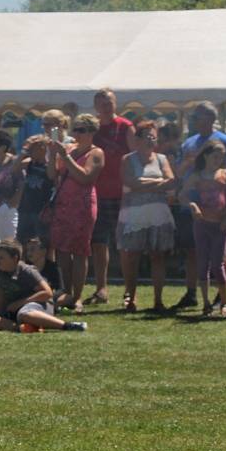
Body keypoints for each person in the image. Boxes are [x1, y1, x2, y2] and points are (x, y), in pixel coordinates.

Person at [174, 101, 226, 309]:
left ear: (210, 119)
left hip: (219, 207)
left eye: (196, 117)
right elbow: (180, 172)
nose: (193, 121)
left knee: (220, 252)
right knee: (193, 250)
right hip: (193, 204)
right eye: (192, 117)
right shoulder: (189, 142)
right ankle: (192, 293)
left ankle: (221, 297)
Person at [117, 121, 177, 312]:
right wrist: (156, 182)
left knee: (158, 256)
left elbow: (170, 182)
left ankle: (158, 300)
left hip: (158, 214)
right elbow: (129, 182)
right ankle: (131, 297)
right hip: (134, 214)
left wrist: (142, 183)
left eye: (154, 136)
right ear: (138, 138)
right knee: (132, 256)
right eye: (147, 136)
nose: (151, 140)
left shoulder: (162, 159)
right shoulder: (128, 159)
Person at [48, 114, 104, 313]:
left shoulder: (96, 153)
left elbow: (85, 178)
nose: (76, 133)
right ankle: (67, 292)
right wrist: (51, 154)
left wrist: (65, 156)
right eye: (75, 129)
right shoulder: (69, 149)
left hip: (82, 205)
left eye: (81, 130)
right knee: (62, 250)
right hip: (63, 204)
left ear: (91, 132)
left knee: (80, 251)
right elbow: (52, 175)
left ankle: (77, 297)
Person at [89, 88, 136, 305]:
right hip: (97, 192)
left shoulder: (125, 126)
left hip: (122, 193)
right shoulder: (93, 128)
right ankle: (101, 289)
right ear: (96, 106)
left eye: (109, 102)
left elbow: (135, 158)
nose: (106, 106)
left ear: (115, 103)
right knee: (99, 242)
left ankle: (129, 291)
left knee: (125, 243)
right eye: (102, 102)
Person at [0, 239, 87, 332]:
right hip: (14, 310)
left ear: (15, 258)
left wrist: (20, 303)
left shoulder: (27, 271)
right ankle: (21, 328)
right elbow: (1, 292)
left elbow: (47, 293)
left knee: (24, 314)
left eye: (1, 258)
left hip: (37, 305)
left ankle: (67, 326)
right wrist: (1, 313)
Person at [180, 140, 226, 317]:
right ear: (206, 156)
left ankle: (224, 302)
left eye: (221, 157)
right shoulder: (197, 176)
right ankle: (205, 303)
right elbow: (182, 194)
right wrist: (193, 205)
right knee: (202, 262)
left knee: (218, 263)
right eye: (215, 156)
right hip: (202, 223)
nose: (218, 160)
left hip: (220, 225)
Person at [14, 135, 53, 245]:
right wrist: (24, 150)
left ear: (42, 148)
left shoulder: (50, 164)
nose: (29, 151)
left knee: (40, 243)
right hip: (25, 209)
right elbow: (14, 169)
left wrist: (51, 152)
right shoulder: (30, 162)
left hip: (41, 211)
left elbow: (51, 175)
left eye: (32, 148)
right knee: (22, 241)